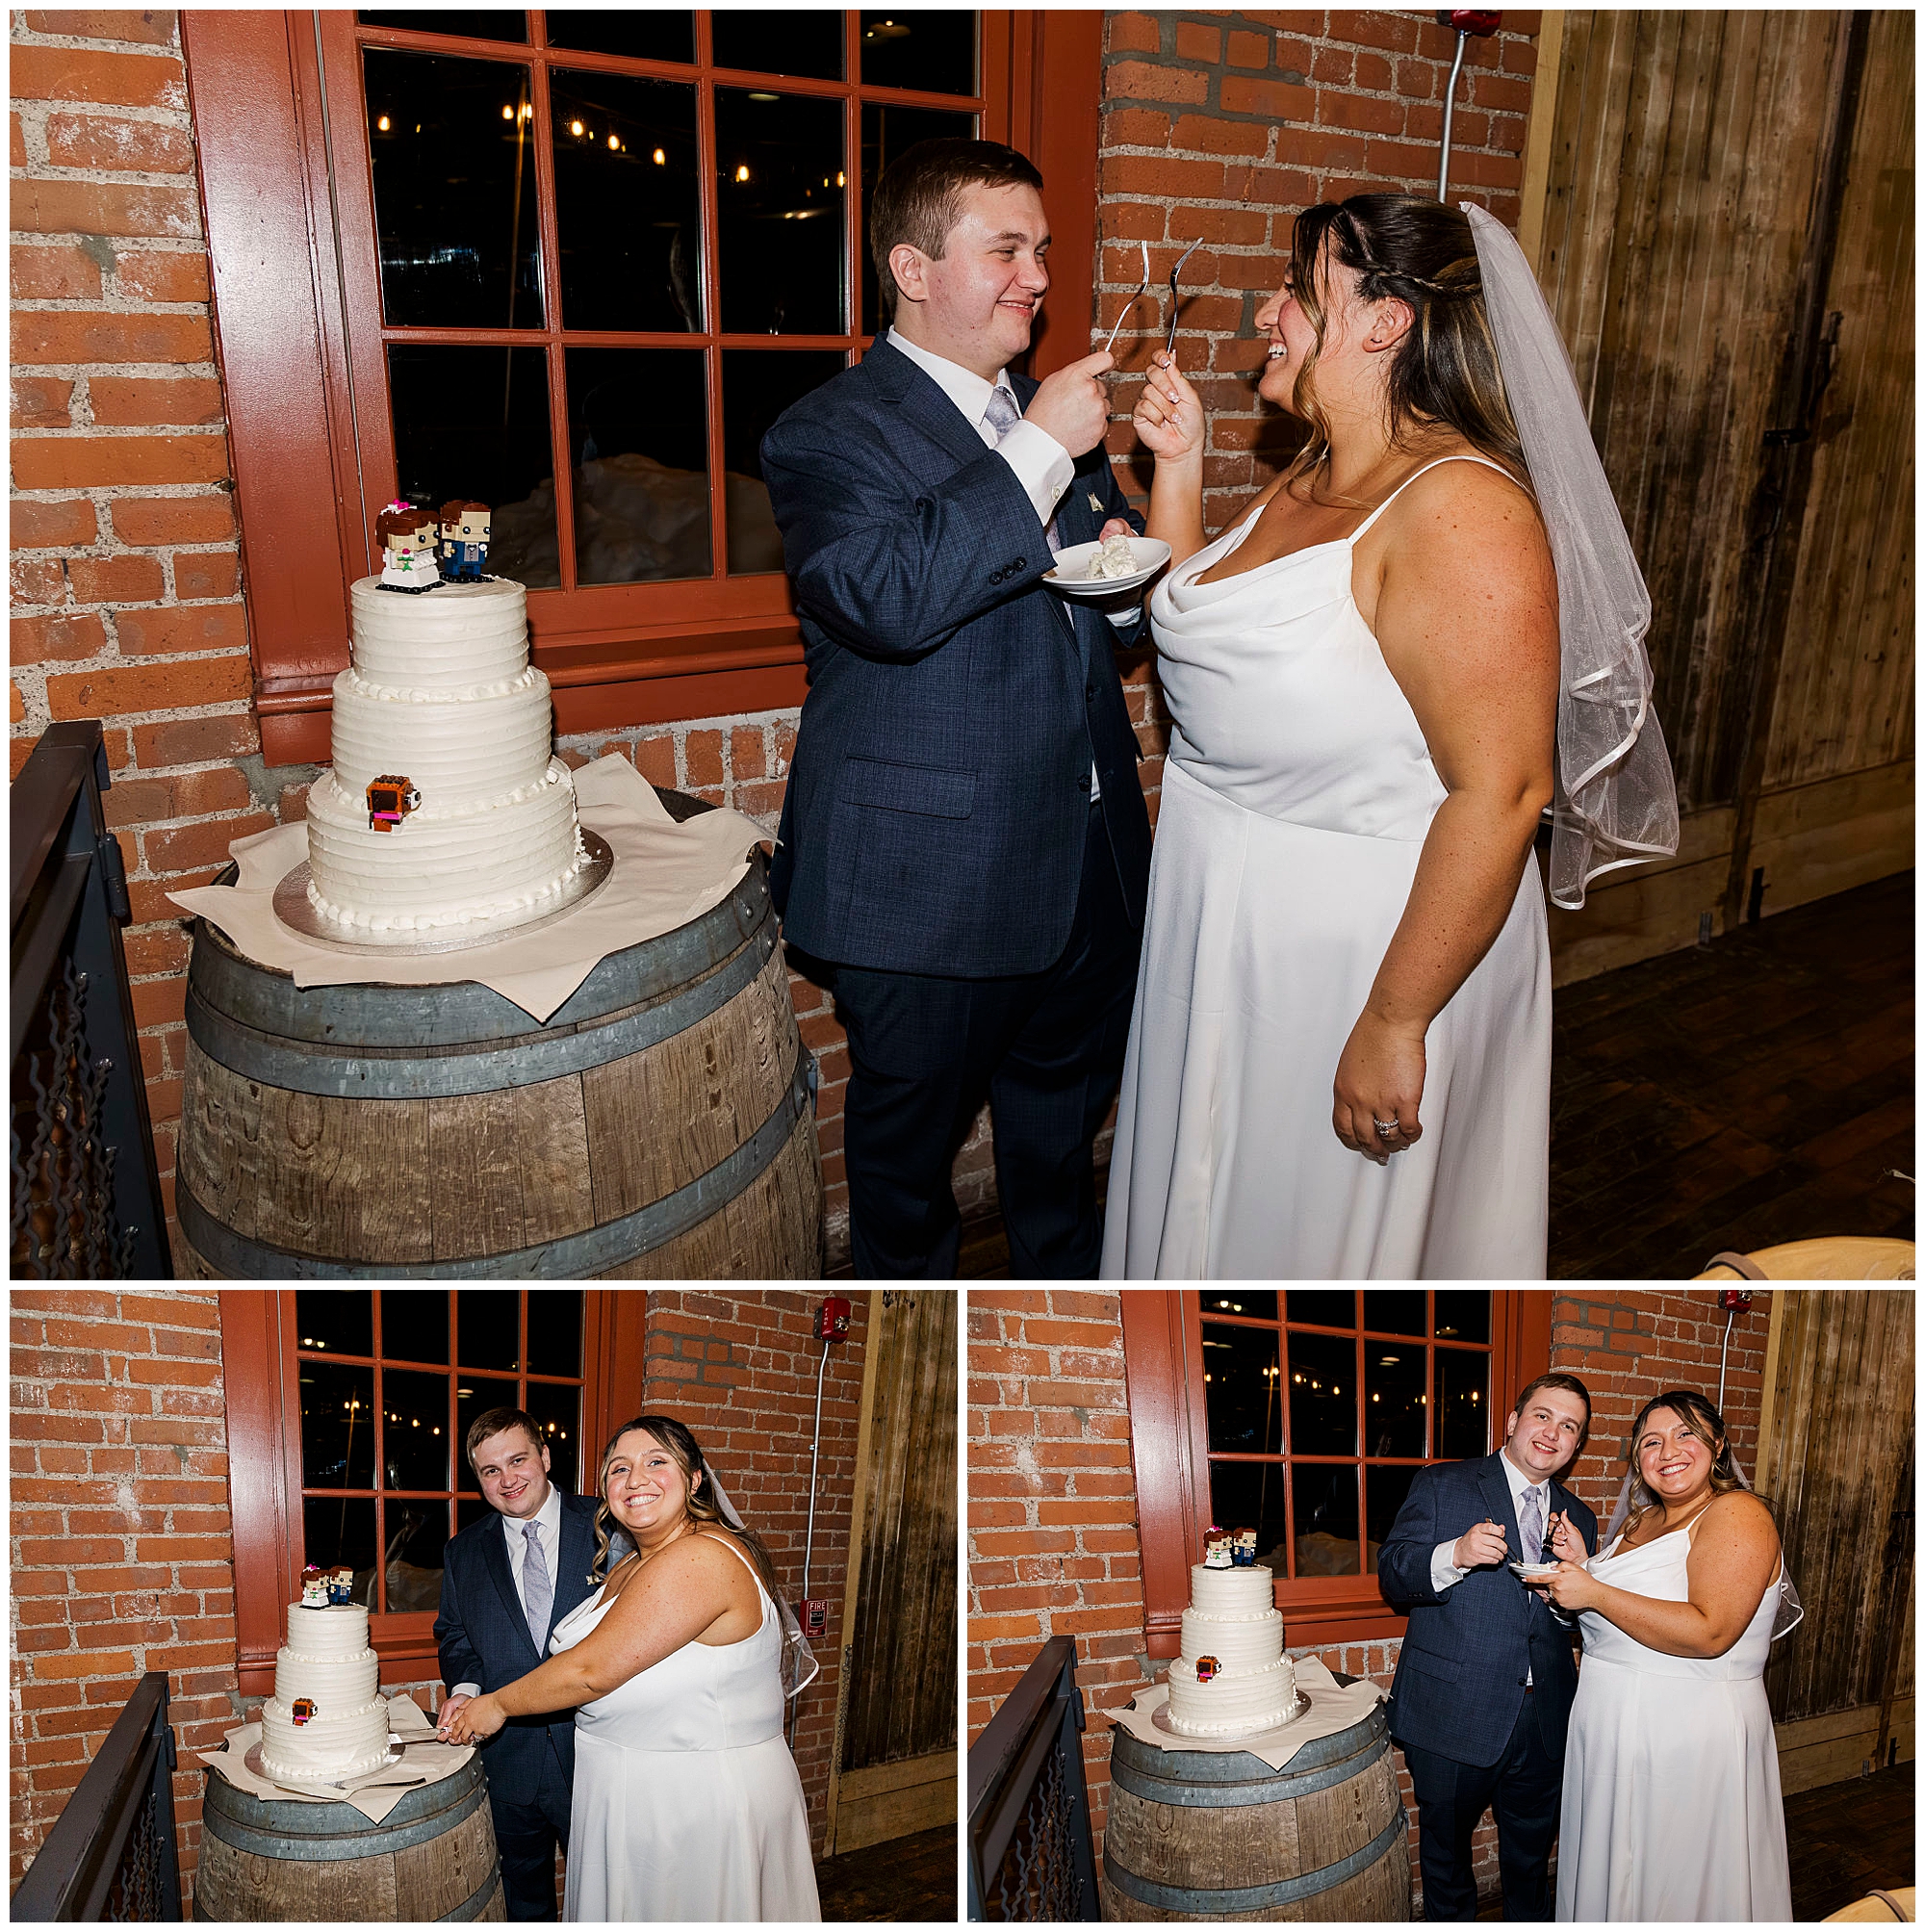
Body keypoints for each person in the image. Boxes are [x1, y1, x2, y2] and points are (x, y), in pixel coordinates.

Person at [1103, 193, 1677, 1278]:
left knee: (1313, 1238)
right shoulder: (1312, 474)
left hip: (1361, 951)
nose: (1267, 311)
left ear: (1383, 323)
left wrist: (1391, 1018)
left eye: (1297, 289)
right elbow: (1208, 640)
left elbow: (1502, 791)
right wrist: (1175, 469)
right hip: (1222, 926)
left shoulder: (1459, 511)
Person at [760, 137, 1153, 1279]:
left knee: (1057, 1142)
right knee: (904, 1168)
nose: (1034, 275)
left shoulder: (1047, 412)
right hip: (925, 883)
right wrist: (1036, 451)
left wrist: (1125, 573)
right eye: (1004, 250)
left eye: (1039, 249)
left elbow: (1104, 622)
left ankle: (1059, 1293)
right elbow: (885, 600)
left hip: (1083, 859)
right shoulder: (829, 430)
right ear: (915, 268)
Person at [439, 1415, 820, 1923]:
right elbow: (457, 1633)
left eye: (655, 1462)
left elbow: (592, 1669)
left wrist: (497, 1704)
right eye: (619, 1468)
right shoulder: (628, 1561)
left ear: (696, 1478)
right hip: (620, 1796)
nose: (635, 1480)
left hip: (693, 1806)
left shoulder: (701, 1559)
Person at [1530, 1388, 1794, 1920]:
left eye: (1685, 1434)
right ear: (1638, 1462)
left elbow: (1710, 1632)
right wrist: (1584, 1571)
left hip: (1683, 1738)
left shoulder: (1738, 1514)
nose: (1667, 1450)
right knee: (1617, 1872)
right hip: (1611, 1733)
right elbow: (1626, 1614)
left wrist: (1596, 1592)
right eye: (1651, 1442)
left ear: (1717, 1444)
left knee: (1675, 1877)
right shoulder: (1638, 1522)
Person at [1376, 1373, 1598, 1920]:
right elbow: (1393, 1574)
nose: (1552, 1433)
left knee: (1531, 1860)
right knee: (1446, 1862)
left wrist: (1577, 1576)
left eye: (1569, 1426)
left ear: (1576, 1444)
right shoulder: (1442, 1485)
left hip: (1544, 1719)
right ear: (1513, 1422)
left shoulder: (1580, 1517)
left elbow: (1575, 1622)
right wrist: (1455, 1552)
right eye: (1543, 1415)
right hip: (1454, 1713)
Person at [434, 1408, 600, 1921]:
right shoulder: (463, 1552)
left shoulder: (605, 1527)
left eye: (518, 1460)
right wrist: (464, 1688)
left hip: (599, 1755)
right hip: (509, 1762)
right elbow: (455, 1634)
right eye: (490, 1471)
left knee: (607, 1893)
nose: (507, 1480)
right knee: (523, 1899)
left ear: (546, 1457)